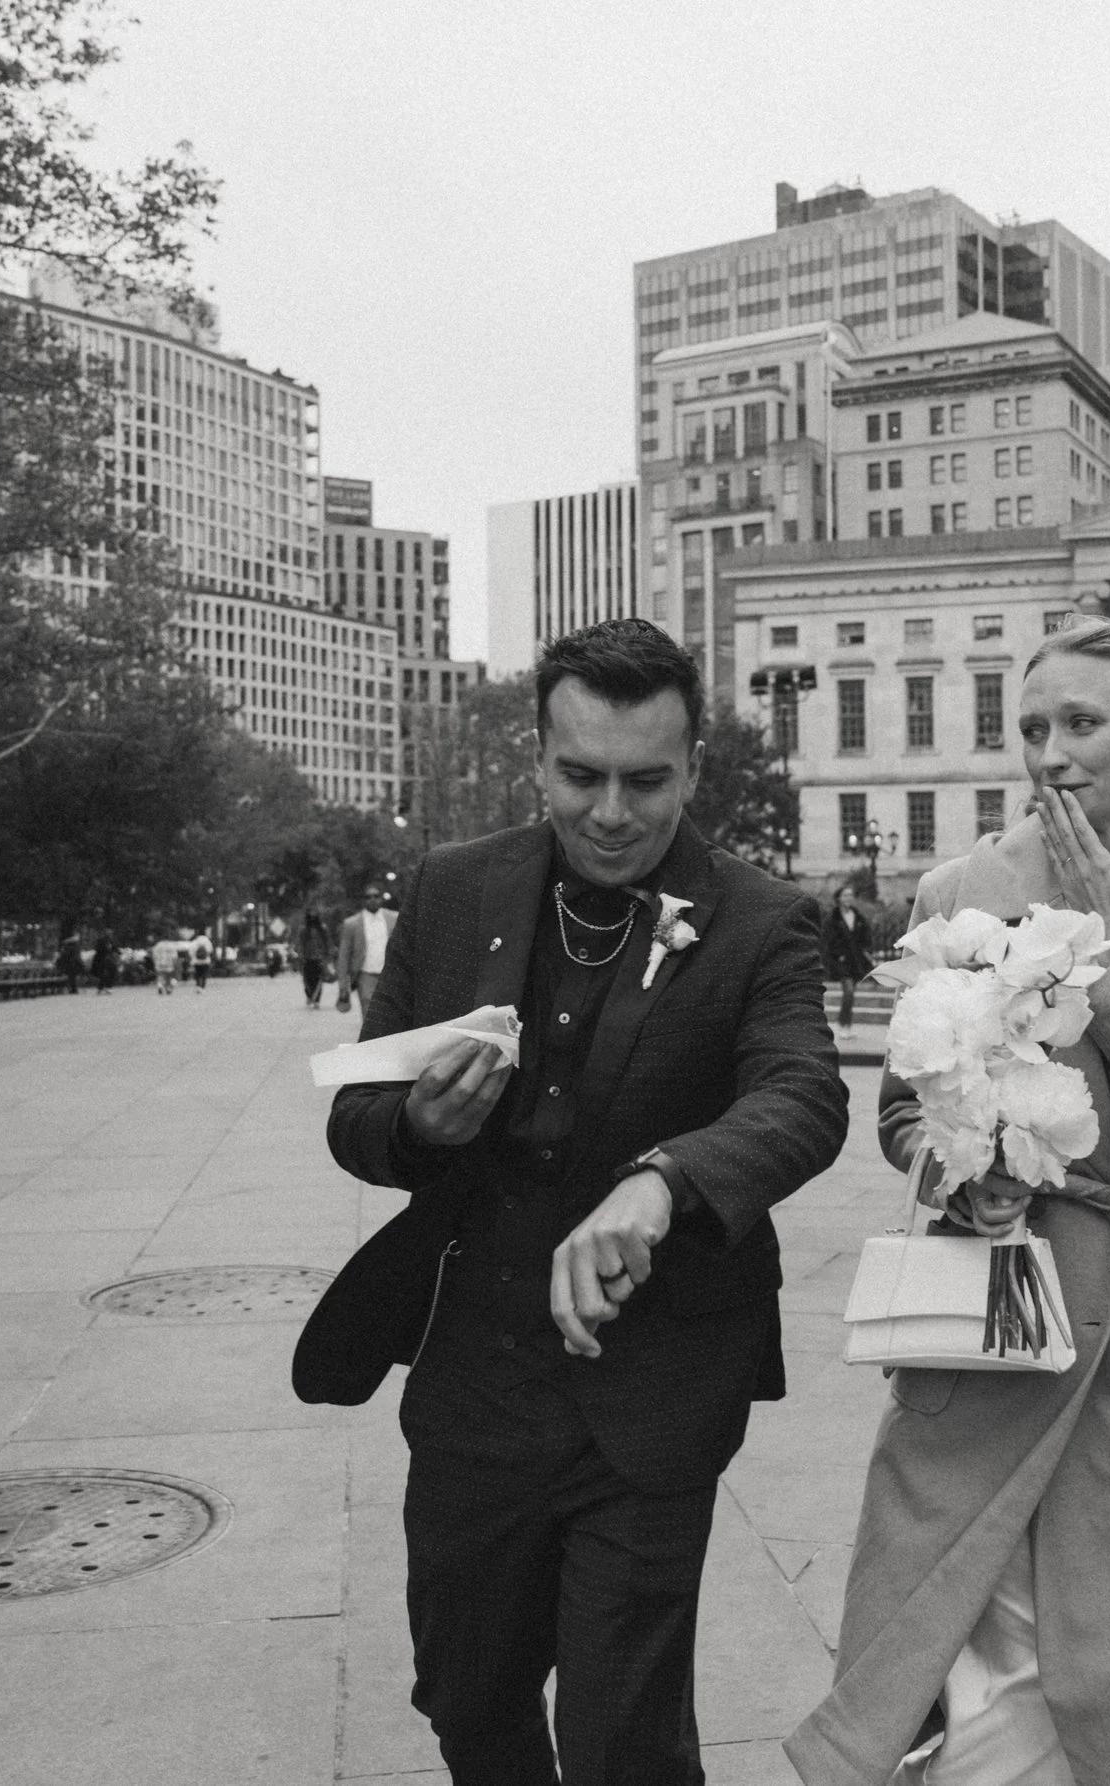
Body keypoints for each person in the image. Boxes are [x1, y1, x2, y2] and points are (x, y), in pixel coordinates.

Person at [308, 617, 849, 1785]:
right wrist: (418, 1125)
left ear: (693, 767)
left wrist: (665, 1181)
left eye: (645, 781)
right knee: (467, 1698)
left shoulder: (761, 918)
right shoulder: (453, 889)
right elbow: (356, 1114)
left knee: (622, 1743)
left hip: (654, 1394)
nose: (610, 812)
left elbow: (804, 1096)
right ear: (538, 760)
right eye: (580, 776)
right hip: (474, 1385)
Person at [789, 617, 1110, 1786]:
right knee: (973, 1686)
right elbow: (903, 1110)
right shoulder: (962, 890)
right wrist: (966, 1166)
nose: (1050, 752)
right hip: (999, 1315)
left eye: (1080, 723)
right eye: (1031, 728)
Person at [339, 882, 398, 1031]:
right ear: (363, 900)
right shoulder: (352, 924)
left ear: (381, 898)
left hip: (390, 974)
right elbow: (344, 955)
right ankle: (371, 1040)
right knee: (369, 1012)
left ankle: (386, 1040)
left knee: (390, 1013)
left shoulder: (394, 918)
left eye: (376, 896)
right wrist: (343, 986)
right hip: (365, 976)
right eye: (368, 897)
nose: (372, 899)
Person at [823, 885, 875, 1029]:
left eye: (851, 895)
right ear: (839, 898)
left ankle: (846, 1023)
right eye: (845, 895)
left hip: (856, 962)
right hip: (840, 961)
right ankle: (844, 1023)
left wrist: (867, 951)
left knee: (851, 994)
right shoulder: (833, 918)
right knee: (849, 991)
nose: (849, 898)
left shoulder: (858, 917)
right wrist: (837, 955)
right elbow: (827, 940)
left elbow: (866, 937)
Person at [299, 909, 332, 1009]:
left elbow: (327, 943)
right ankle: (310, 996)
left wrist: (327, 956)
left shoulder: (323, 929)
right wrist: (301, 956)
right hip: (307, 958)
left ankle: (316, 999)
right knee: (307, 980)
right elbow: (301, 944)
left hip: (319, 958)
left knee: (318, 980)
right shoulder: (304, 930)